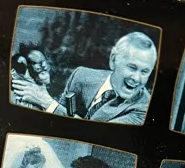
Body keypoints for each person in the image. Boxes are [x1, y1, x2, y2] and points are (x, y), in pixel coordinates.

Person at [11, 31, 157, 125]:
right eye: (132, 68)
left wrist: (46, 101)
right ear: (113, 60)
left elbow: (94, 135)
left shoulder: (144, 110)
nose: (137, 78)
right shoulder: (81, 75)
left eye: (145, 71)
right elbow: (60, 121)